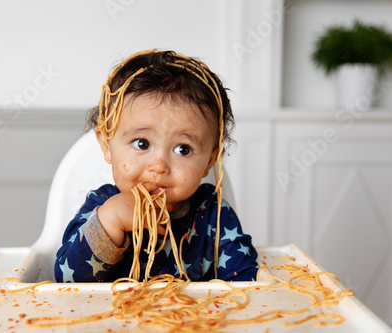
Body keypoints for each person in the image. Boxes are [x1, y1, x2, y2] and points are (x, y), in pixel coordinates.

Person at [54, 50, 258, 282]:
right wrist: (111, 221)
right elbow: (67, 281)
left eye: (183, 149)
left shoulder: (213, 214)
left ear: (211, 159)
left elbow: (246, 284)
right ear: (107, 145)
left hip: (195, 318)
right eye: (142, 144)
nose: (159, 166)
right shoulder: (100, 206)